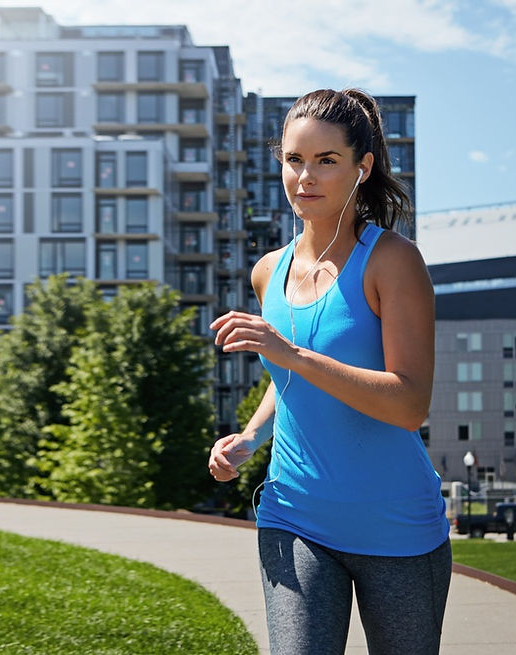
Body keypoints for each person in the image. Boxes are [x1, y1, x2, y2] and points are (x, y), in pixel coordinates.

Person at [208, 88, 451, 655]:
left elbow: (409, 402)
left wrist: (290, 353)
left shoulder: (392, 261)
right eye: (294, 160)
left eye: (326, 161)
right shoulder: (269, 272)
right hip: (294, 514)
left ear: (362, 168)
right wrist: (248, 439)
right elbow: (289, 382)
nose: (305, 177)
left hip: (396, 527)